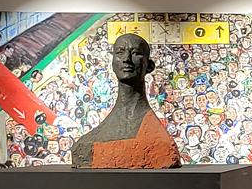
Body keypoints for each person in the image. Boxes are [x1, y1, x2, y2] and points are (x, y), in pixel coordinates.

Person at [71, 33, 181, 169]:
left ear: (149, 66)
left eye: (135, 53)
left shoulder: (157, 137)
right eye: (120, 52)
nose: (126, 59)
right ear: (112, 63)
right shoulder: (89, 141)